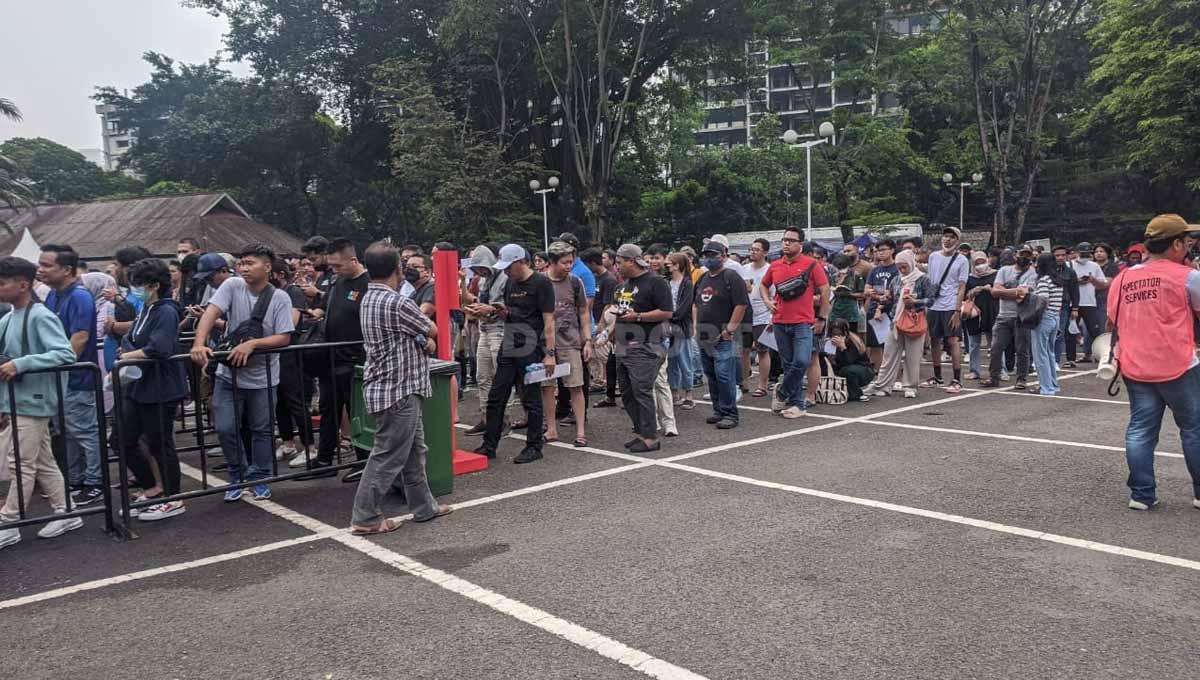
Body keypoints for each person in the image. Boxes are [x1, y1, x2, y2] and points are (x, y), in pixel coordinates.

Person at [350, 242, 452, 534]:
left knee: (414, 451)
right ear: (398, 268)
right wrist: (425, 340)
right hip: (398, 389)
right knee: (388, 454)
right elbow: (430, 330)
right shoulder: (397, 302)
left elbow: (411, 335)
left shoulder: (369, 297)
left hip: (389, 386)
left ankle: (424, 506)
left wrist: (421, 340)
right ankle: (365, 516)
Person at [1105, 215, 1200, 511]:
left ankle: (1142, 494)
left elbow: (1112, 320)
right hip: (1179, 364)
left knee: (1140, 430)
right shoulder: (1186, 276)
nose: (1189, 245)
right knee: (1193, 428)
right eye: (1186, 241)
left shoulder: (1122, 278)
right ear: (1175, 244)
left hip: (1135, 364)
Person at [190, 244, 295, 501]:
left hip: (264, 377)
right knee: (225, 427)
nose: (244, 268)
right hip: (230, 374)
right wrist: (199, 342)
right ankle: (237, 475)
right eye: (242, 263)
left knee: (261, 429)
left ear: (267, 267)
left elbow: (284, 337)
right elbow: (211, 313)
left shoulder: (280, 297)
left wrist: (254, 344)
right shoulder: (232, 286)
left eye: (250, 263)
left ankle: (259, 477)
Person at [0, 257, 80, 550]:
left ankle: (10, 522)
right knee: (42, 460)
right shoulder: (10, 316)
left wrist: (22, 364)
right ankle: (66, 510)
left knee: (20, 462)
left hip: (32, 401)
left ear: (23, 285)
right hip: (20, 401)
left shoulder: (39, 315)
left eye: (2, 283)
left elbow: (65, 354)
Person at [117, 258, 190, 521]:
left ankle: (174, 497)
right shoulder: (147, 309)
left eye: (137, 285)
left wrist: (128, 356)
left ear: (154, 285)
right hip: (139, 385)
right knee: (121, 440)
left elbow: (159, 348)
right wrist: (128, 352)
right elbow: (129, 339)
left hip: (161, 387)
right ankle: (152, 488)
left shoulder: (166, 311)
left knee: (161, 444)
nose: (133, 290)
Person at [474, 245, 556, 464]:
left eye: (509, 267)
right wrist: (497, 310)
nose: (507, 272)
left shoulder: (541, 283)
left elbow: (549, 321)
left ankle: (534, 446)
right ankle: (489, 444)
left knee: (531, 398)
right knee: (496, 396)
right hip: (509, 343)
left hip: (530, 345)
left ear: (522, 262)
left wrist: (549, 354)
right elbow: (512, 313)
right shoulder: (510, 282)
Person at [38, 245, 102, 506]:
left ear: (66, 269)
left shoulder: (79, 297)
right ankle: (75, 479)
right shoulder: (54, 295)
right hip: (58, 377)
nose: (40, 270)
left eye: (46, 265)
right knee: (67, 432)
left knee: (85, 432)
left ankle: (95, 482)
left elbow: (79, 338)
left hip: (76, 378)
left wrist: (60, 367)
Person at [304, 238, 370, 481]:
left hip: (355, 359)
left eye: (338, 265)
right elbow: (324, 305)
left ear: (353, 260)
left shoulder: (368, 283)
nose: (334, 270)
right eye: (331, 265)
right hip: (330, 357)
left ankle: (363, 459)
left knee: (356, 413)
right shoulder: (336, 281)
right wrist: (316, 314)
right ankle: (325, 458)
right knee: (328, 409)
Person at [760, 227, 830, 419]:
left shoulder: (811, 264)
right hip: (780, 321)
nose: (786, 243)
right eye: (784, 239)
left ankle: (782, 392)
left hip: (803, 322)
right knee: (789, 364)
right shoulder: (774, 265)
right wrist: (767, 301)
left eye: (791, 240)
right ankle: (796, 404)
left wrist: (822, 317)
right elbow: (763, 285)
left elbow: (825, 290)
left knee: (802, 360)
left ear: (800, 244)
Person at [609, 244, 672, 451]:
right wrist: (610, 333)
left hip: (645, 345)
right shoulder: (622, 286)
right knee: (627, 393)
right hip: (622, 346)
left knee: (642, 391)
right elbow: (619, 312)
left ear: (631, 261)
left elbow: (666, 312)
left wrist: (638, 316)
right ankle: (640, 431)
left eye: (619, 263)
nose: (617, 267)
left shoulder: (656, 282)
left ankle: (651, 437)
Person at [541, 241, 592, 447]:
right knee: (546, 386)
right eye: (564, 262)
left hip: (570, 342)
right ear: (552, 262)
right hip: (544, 342)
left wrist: (587, 340)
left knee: (576, 385)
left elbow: (583, 312)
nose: (568, 266)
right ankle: (551, 428)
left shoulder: (575, 282)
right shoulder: (541, 281)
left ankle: (580, 431)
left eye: (571, 261)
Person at [694, 241, 749, 429]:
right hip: (704, 335)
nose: (709, 259)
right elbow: (696, 304)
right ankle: (718, 410)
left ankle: (730, 413)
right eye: (706, 255)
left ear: (723, 255)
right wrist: (696, 326)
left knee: (724, 375)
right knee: (711, 375)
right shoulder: (702, 279)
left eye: (713, 255)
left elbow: (741, 305)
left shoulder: (731, 277)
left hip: (724, 336)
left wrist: (730, 330)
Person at [865, 250, 933, 399]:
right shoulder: (896, 280)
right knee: (889, 355)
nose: (902, 270)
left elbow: (931, 300)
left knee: (913, 356)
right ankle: (883, 384)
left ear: (911, 263)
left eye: (904, 267)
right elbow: (890, 299)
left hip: (914, 321)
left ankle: (910, 385)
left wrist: (916, 302)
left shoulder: (922, 279)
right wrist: (883, 300)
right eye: (899, 267)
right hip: (895, 321)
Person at [462, 245, 509, 436]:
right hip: (484, 329)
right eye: (476, 269)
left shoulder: (505, 278)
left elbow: (510, 307)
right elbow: (470, 299)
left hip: (499, 330)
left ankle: (504, 420)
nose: (480, 272)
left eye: (482, 268)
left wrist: (490, 309)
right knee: (482, 377)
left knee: (501, 378)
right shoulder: (481, 281)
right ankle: (486, 418)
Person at [269, 259, 312, 468]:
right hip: (274, 353)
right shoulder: (269, 294)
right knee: (280, 403)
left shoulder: (293, 292)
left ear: (278, 274)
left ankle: (309, 447)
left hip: (290, 354)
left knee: (295, 402)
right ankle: (287, 443)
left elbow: (291, 322)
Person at [982, 244, 1037, 389]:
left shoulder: (1033, 273)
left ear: (1031, 257)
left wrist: (1003, 291)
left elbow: (1024, 294)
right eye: (1021, 254)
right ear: (1015, 255)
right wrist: (1015, 292)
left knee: (1022, 349)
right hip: (1003, 315)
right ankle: (994, 377)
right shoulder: (1004, 271)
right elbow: (994, 292)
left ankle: (1021, 379)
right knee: (995, 348)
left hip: (1022, 316)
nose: (1024, 257)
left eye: (1028, 255)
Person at [922, 227, 969, 393]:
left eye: (951, 237)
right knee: (934, 339)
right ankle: (937, 377)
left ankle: (957, 379)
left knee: (953, 340)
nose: (947, 240)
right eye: (945, 236)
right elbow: (930, 281)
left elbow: (962, 286)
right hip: (934, 304)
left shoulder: (962, 260)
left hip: (950, 305)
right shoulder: (934, 257)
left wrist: (957, 310)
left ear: (957, 241)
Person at [581, 248, 617, 398]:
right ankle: (599, 381)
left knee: (603, 354)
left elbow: (608, 304)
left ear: (593, 263)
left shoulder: (609, 279)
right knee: (594, 355)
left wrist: (601, 324)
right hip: (592, 318)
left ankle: (612, 383)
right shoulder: (595, 278)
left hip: (603, 321)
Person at [742, 238, 774, 398]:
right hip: (745, 314)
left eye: (756, 250)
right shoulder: (743, 269)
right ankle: (744, 382)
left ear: (765, 253)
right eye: (751, 249)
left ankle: (762, 385)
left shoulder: (770, 270)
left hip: (764, 314)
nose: (752, 252)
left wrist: (772, 317)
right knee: (744, 350)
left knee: (762, 350)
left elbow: (775, 295)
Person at [1029, 253, 1065, 396]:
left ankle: (1046, 387)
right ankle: (1052, 385)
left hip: (1044, 318)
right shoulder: (1058, 280)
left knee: (1040, 355)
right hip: (1055, 317)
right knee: (1049, 353)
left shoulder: (1043, 280)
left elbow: (1043, 301)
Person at [665, 252, 696, 409]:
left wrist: (669, 316)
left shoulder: (687, 284)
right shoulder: (667, 283)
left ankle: (689, 393)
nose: (667, 264)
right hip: (668, 328)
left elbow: (684, 308)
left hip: (681, 327)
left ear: (678, 265)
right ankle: (675, 391)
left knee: (685, 361)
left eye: (671, 262)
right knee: (671, 362)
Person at [1069, 242, 1107, 364]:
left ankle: (1098, 355)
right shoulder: (1069, 265)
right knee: (1071, 331)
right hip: (1073, 302)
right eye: (1082, 253)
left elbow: (1103, 283)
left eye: (1087, 253)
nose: (1085, 255)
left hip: (1089, 302)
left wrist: (1092, 280)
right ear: (1077, 253)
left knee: (1095, 330)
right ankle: (1070, 358)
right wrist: (1076, 281)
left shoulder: (1094, 266)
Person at [962, 250, 998, 381]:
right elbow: (963, 295)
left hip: (992, 311)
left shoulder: (996, 274)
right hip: (974, 313)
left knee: (995, 344)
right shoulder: (969, 278)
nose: (980, 265)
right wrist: (972, 292)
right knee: (974, 344)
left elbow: (1000, 291)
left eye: (982, 262)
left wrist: (990, 289)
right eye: (977, 263)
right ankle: (974, 371)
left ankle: (1000, 370)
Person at [863, 239, 898, 368]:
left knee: (892, 345)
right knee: (875, 345)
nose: (880, 253)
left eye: (883, 250)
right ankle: (878, 373)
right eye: (877, 251)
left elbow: (894, 293)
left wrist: (878, 294)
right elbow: (866, 290)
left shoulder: (897, 269)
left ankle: (894, 375)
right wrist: (876, 295)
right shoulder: (874, 270)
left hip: (891, 311)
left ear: (892, 250)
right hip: (874, 310)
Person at [827, 319, 875, 402]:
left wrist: (843, 348)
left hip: (864, 370)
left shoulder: (853, 341)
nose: (836, 336)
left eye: (839, 333)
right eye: (834, 333)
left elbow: (848, 362)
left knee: (847, 370)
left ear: (845, 332)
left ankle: (857, 394)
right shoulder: (828, 342)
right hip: (842, 370)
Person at [299, 236, 335, 306]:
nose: (312, 264)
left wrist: (317, 293)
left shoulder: (338, 275)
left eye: (313, 259)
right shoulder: (321, 277)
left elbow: (340, 301)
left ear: (325, 254)